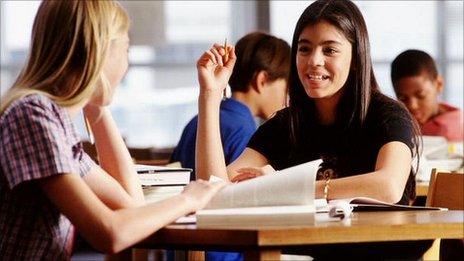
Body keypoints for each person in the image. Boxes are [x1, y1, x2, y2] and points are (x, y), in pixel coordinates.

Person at [195, 0, 432, 259]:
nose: (314, 61)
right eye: (304, 49)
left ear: (356, 58)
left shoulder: (387, 114)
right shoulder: (285, 124)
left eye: (330, 50)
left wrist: (282, 187)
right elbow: (215, 190)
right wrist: (210, 94)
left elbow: (387, 186)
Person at [0, 1, 223, 259]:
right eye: (126, 49)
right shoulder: (32, 116)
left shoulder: (54, 123)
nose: (126, 65)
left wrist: (95, 104)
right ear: (100, 52)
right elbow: (110, 234)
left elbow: (131, 203)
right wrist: (189, 199)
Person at [170, 32, 290, 261]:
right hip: (222, 250)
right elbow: (231, 203)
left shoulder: (196, 121)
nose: (288, 97)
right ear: (262, 80)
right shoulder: (244, 130)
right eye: (287, 86)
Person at [391, 49, 463, 142]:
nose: (412, 105)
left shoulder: (458, 128)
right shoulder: (395, 126)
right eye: (403, 98)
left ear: (439, 84)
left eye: (421, 95)